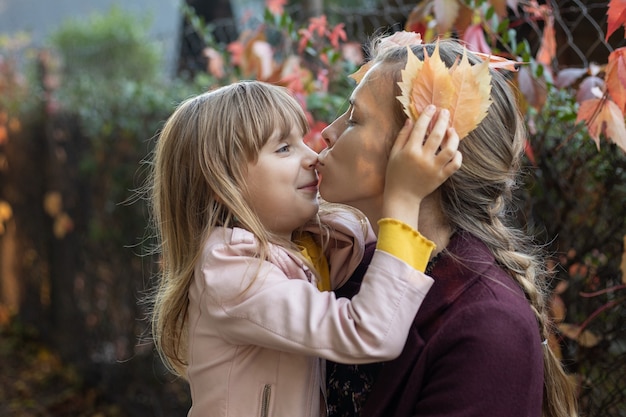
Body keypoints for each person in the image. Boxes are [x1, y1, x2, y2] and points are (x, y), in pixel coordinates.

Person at [145, 80, 462, 417]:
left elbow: (368, 231)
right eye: (284, 148)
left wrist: (391, 74)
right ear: (222, 183)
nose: (312, 157)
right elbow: (368, 332)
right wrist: (404, 198)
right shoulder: (230, 273)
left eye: (302, 141)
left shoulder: (308, 243)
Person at [318, 37, 579, 417]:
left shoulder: (487, 325)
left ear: (427, 147)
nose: (328, 132)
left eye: (355, 119)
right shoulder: (354, 267)